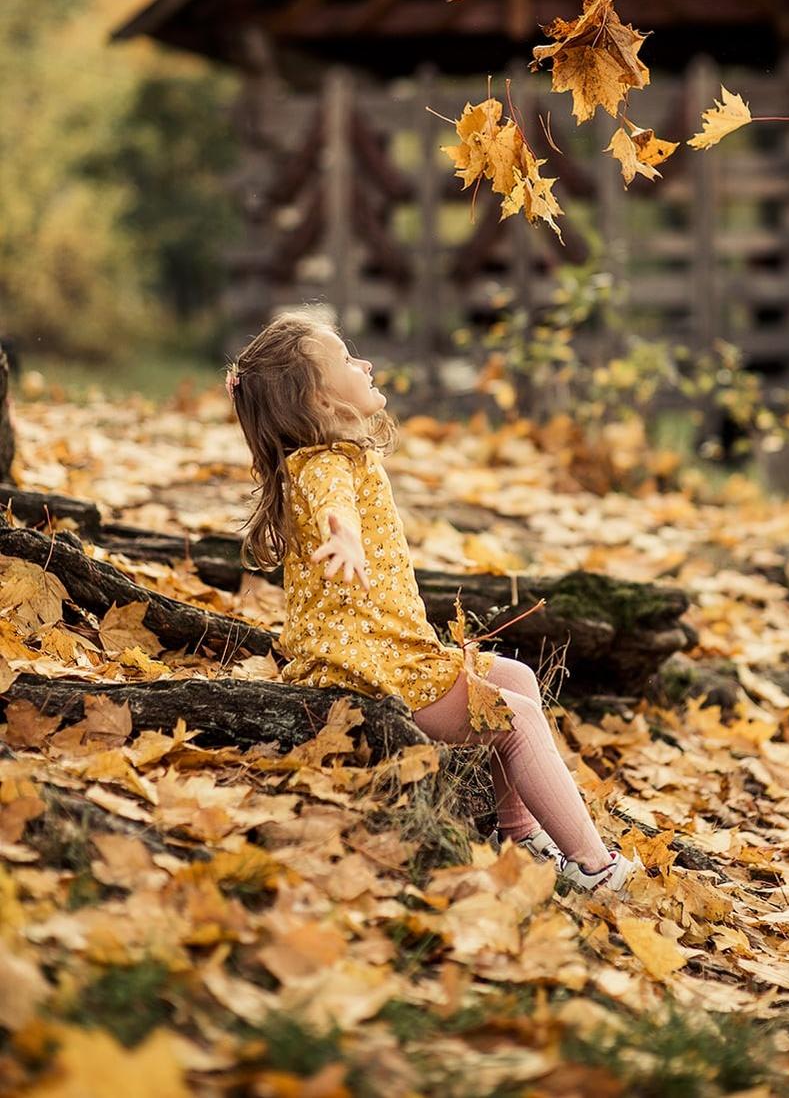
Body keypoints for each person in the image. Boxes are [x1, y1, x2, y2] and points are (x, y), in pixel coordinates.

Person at [226, 305, 639, 894]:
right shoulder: (320, 466)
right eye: (346, 359)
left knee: (517, 679)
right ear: (320, 402)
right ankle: (597, 871)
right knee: (513, 716)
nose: (364, 362)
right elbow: (331, 503)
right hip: (366, 672)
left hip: (393, 653)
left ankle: (519, 835)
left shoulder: (342, 456)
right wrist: (342, 535)